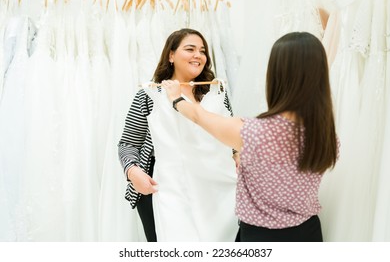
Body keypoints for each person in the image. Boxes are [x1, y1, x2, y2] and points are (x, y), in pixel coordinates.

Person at [162, 31, 339, 242]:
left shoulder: (253, 132)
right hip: (308, 233)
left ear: (276, 75)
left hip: (261, 237)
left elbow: (199, 116)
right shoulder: (327, 138)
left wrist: (176, 98)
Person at [118, 28, 238, 242]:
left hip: (217, 190)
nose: (198, 55)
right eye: (190, 49)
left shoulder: (217, 92)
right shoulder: (148, 95)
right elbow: (127, 143)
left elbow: (229, 133)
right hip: (170, 190)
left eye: (202, 51)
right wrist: (133, 171)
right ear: (171, 55)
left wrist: (237, 154)